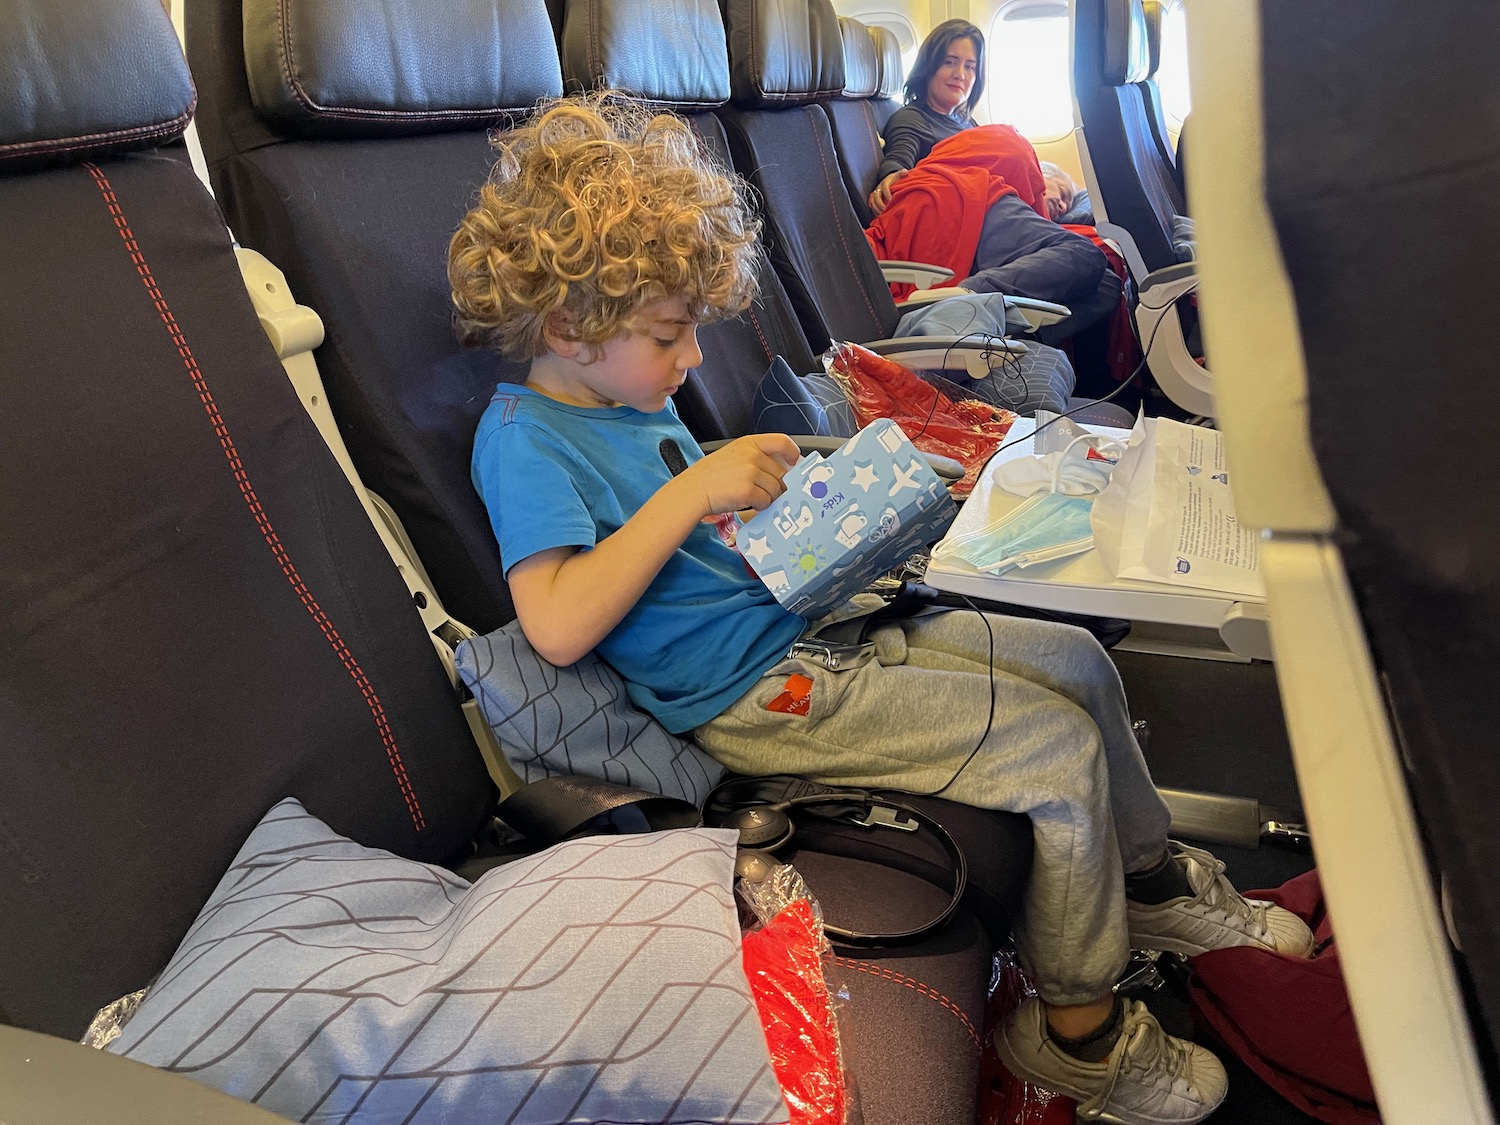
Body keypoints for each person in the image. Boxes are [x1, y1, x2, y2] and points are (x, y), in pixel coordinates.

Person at [451, 92, 1312, 1125]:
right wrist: (697, 489)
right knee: (1052, 753)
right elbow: (554, 621)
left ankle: (1151, 888)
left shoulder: (618, 395)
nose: (690, 364)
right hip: (760, 696)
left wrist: (793, 513)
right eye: (673, 336)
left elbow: (677, 563)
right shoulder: (526, 443)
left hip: (805, 626)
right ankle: (1077, 1033)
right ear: (567, 323)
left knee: (1080, 665)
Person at [868, 19, 988, 217]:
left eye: (970, 67)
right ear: (929, 66)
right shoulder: (913, 119)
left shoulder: (967, 122)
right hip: (966, 213)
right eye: (950, 62)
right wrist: (890, 177)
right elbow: (898, 160)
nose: (960, 74)